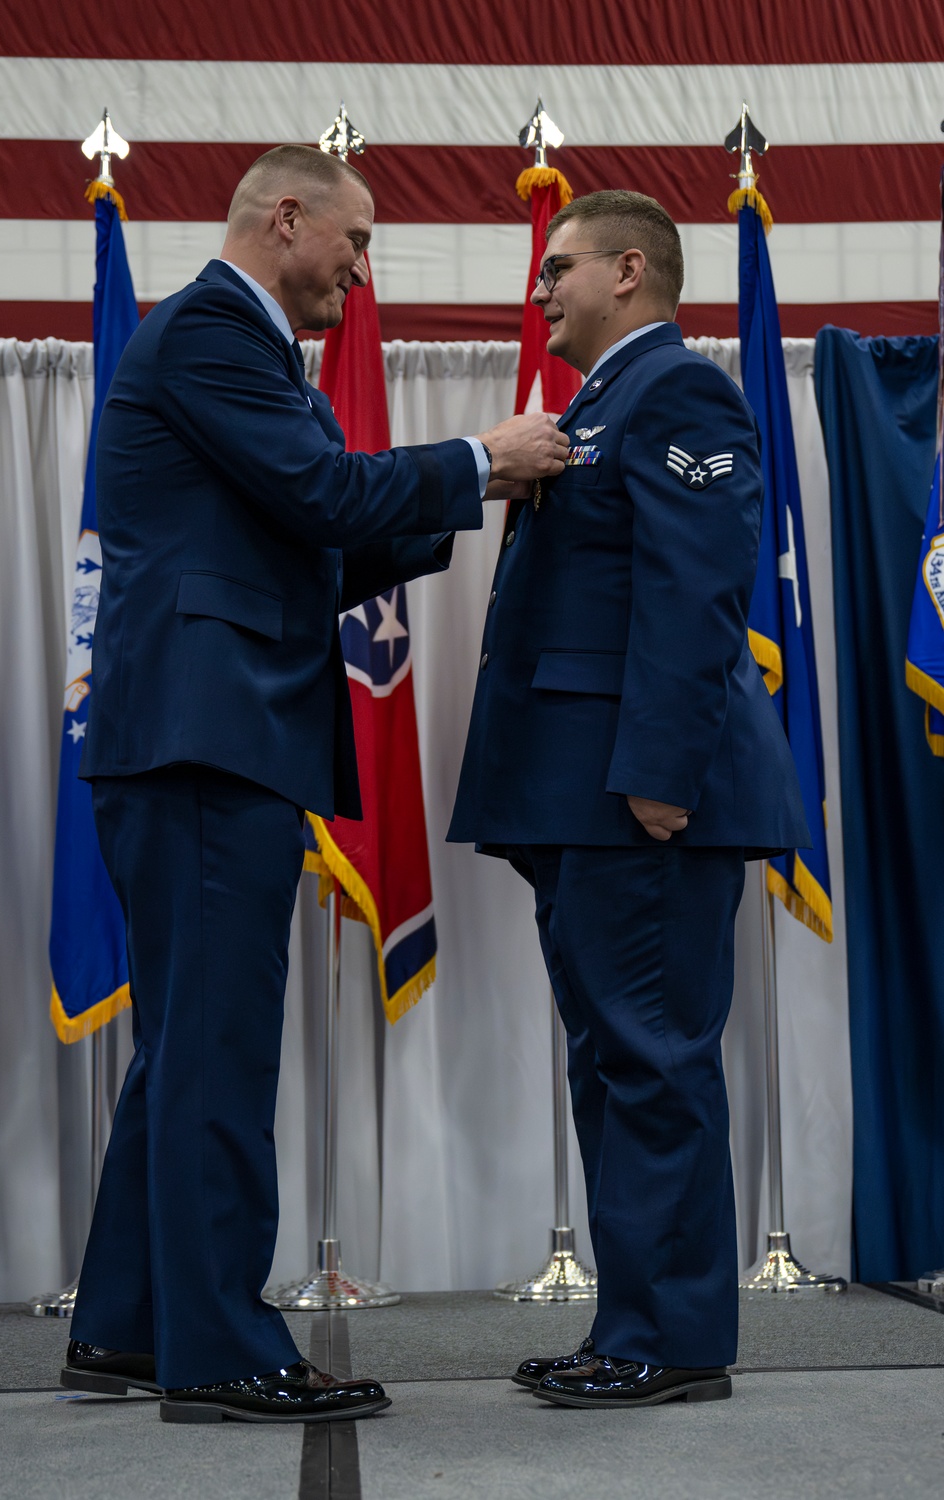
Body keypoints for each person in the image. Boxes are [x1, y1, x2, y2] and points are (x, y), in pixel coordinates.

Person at [60, 144, 568, 1425]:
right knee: (215, 1054)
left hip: (198, 739)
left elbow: (307, 547)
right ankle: (221, 1350)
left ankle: (127, 1327)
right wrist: (475, 459)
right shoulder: (211, 337)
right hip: (202, 741)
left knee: (183, 1050)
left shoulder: (231, 345)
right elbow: (321, 493)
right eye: (355, 236)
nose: (362, 263)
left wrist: (477, 496)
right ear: (283, 216)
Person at [448, 190, 809, 1408]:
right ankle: (634, 1324)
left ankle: (676, 1339)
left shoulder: (680, 392)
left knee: (651, 1059)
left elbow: (695, 592)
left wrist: (661, 775)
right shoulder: (602, 403)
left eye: (560, 268)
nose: (540, 289)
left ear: (631, 271)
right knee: (612, 1061)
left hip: (641, 796)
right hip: (580, 794)